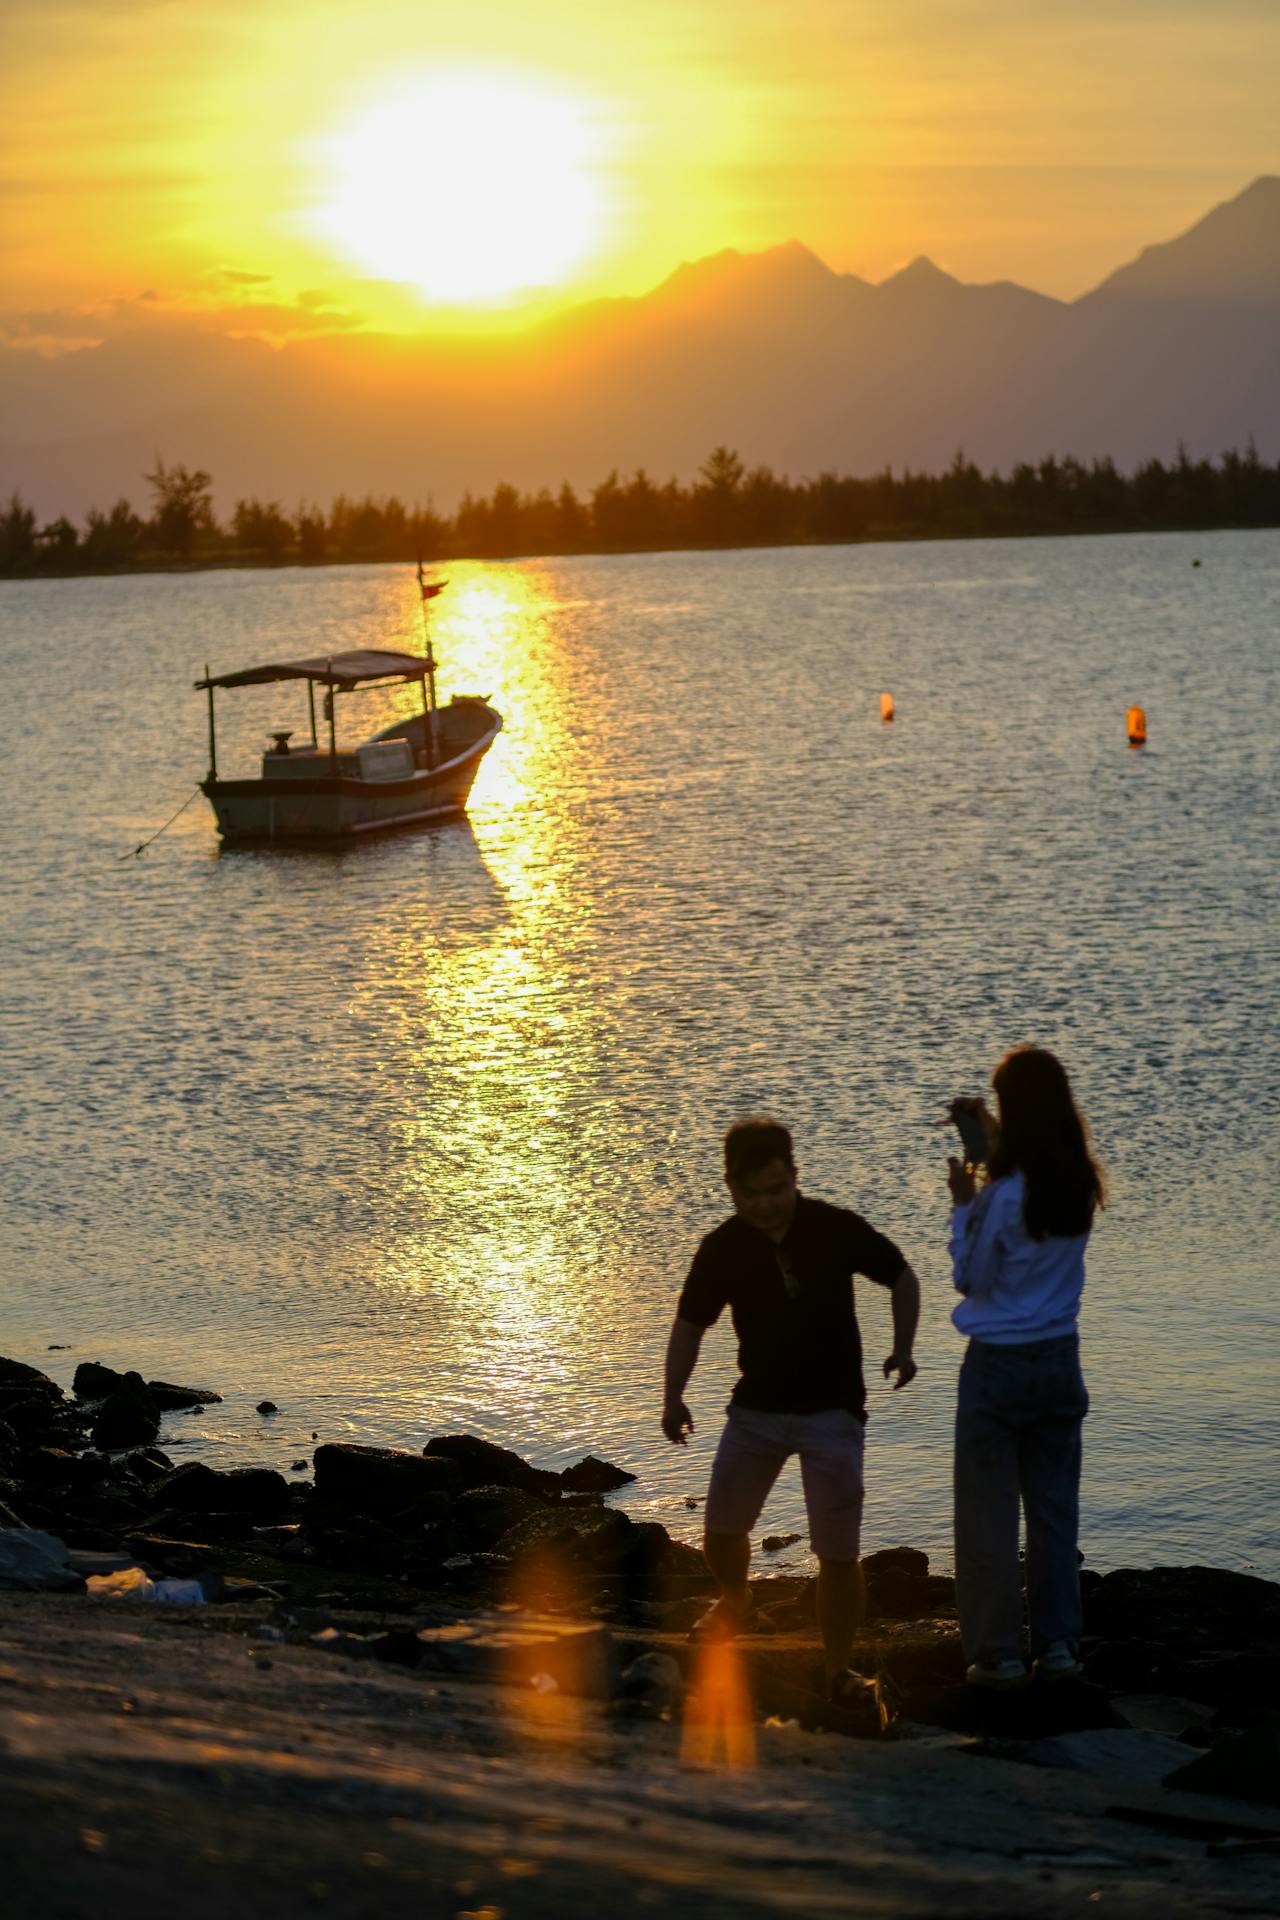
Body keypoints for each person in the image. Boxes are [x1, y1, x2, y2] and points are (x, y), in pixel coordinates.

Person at [661, 1115, 920, 1700]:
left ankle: (837, 1670)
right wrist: (673, 1396)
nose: (765, 1205)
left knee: (838, 1554)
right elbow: (690, 1326)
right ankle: (736, 1600)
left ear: (794, 1176)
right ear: (730, 1187)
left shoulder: (834, 1227)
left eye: (776, 1190)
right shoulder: (722, 1248)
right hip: (756, 1410)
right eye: (750, 1194)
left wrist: (903, 1347)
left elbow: (903, 1277)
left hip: (834, 1414)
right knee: (721, 1532)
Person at [946, 1046, 1105, 1688]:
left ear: (1011, 1112)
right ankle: (1059, 1648)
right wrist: (990, 1150)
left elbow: (971, 1278)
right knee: (1053, 1514)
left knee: (987, 1517)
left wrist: (963, 1203)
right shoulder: (1079, 1184)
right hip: (1060, 1361)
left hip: (998, 1367)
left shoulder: (1001, 1196)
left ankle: (998, 1655)